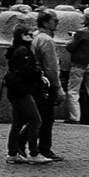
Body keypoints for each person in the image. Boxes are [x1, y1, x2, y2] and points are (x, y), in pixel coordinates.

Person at [4, 28, 47, 164]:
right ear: (23, 36)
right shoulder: (23, 50)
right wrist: (38, 74)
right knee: (35, 120)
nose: (32, 37)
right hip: (21, 89)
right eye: (29, 35)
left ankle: (12, 153)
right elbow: (25, 71)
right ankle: (34, 153)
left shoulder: (16, 49)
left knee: (17, 122)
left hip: (15, 88)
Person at [31, 11, 64, 162]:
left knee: (37, 116)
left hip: (35, 81)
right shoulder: (47, 40)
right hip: (45, 84)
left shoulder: (36, 37)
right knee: (46, 117)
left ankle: (22, 143)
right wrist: (57, 88)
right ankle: (44, 148)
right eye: (54, 20)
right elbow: (51, 67)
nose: (57, 23)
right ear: (45, 23)